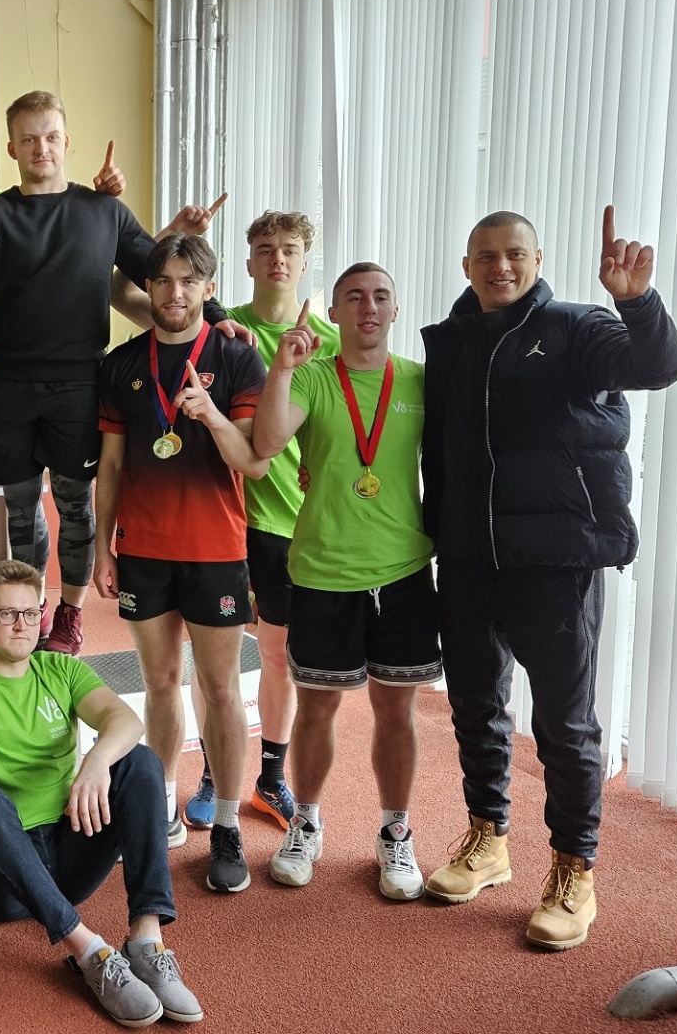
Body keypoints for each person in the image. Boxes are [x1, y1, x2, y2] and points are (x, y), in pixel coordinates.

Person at [421, 208, 677, 950]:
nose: (499, 267)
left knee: (564, 726)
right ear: (466, 265)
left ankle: (574, 870)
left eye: (514, 254)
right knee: (474, 705)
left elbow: (657, 367)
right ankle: (488, 839)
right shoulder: (448, 342)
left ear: (536, 260)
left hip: (555, 560)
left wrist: (636, 302)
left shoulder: (578, 329)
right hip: (467, 556)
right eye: (485, 256)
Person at [0, 90, 231, 656]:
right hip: (11, 383)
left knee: (74, 504)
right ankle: (27, 608)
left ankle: (70, 613)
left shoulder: (104, 210)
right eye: (28, 139)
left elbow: (158, 270)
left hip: (81, 383)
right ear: (12, 148)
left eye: (51, 137)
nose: (41, 148)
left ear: (66, 142)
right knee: (19, 506)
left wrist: (217, 317)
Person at [0, 558, 203, 1027]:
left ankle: (146, 939)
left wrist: (96, 762)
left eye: (31, 613)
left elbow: (124, 720)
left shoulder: (59, 669)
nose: (22, 624)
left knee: (139, 762)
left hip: (67, 858)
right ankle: (90, 952)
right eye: (7, 614)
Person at [251, 263, 437, 902]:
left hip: (403, 570)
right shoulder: (311, 377)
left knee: (397, 709)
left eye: (381, 296)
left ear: (395, 309)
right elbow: (266, 442)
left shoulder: (419, 380)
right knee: (318, 708)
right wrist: (281, 368)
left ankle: (395, 831)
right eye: (354, 297)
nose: (368, 307)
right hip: (324, 569)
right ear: (334, 312)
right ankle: (305, 824)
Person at [93, 235, 268, 888]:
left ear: (207, 287)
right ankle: (159, 806)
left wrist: (213, 415)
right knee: (160, 682)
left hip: (215, 549)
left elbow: (251, 461)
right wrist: (102, 546)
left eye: (188, 281)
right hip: (142, 549)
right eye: (162, 281)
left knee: (220, 688)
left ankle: (225, 823)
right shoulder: (121, 364)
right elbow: (111, 466)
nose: (174, 293)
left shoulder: (236, 357)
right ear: (148, 288)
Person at [185, 212, 337, 833]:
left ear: (304, 262)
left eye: (290, 250)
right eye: (265, 249)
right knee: (213, 662)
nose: (278, 259)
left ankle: (271, 778)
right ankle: (213, 773)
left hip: (291, 525)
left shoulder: (328, 341)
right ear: (247, 262)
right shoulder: (220, 330)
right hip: (220, 519)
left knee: (278, 656)